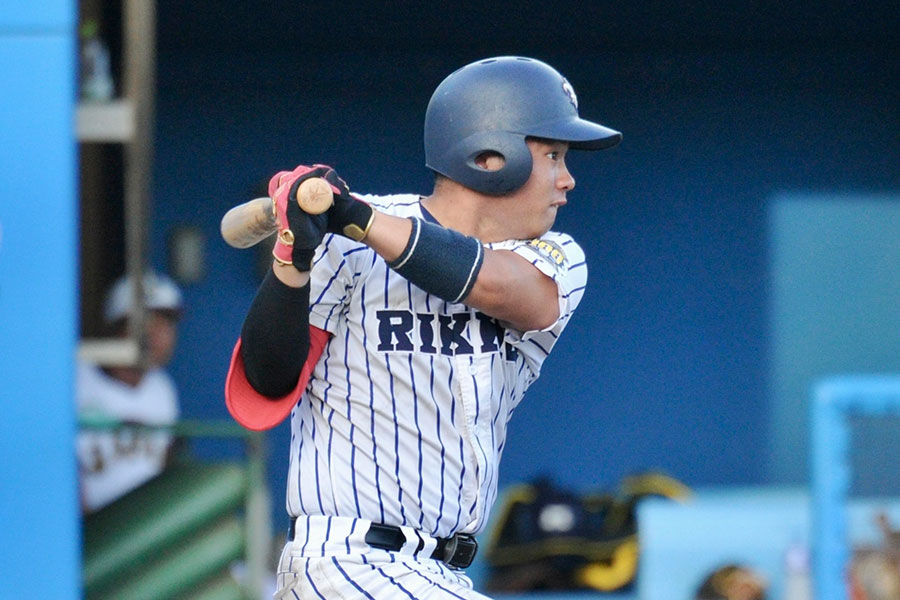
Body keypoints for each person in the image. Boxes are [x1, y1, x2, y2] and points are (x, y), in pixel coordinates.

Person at [225, 56, 621, 599]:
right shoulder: (349, 244)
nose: (567, 179)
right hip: (347, 561)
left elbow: (503, 289)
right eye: (552, 155)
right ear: (489, 156)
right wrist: (292, 256)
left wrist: (357, 218)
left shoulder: (557, 258)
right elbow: (267, 380)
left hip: (441, 571)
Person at [76, 271, 183, 513]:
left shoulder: (162, 388)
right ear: (117, 325)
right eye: (148, 322)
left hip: (145, 526)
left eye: (167, 323)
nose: (158, 334)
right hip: (90, 526)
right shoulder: (75, 379)